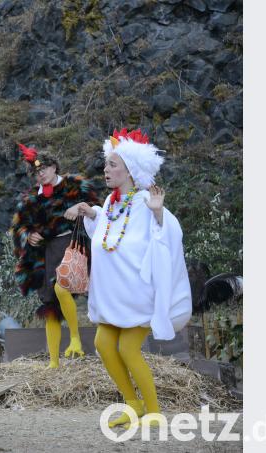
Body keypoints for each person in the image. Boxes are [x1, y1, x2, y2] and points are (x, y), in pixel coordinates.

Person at [66, 128, 192, 428]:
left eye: (113, 165)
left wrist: (159, 214)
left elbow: (169, 236)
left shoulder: (147, 201)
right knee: (104, 344)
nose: (106, 169)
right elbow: (108, 232)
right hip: (113, 296)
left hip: (138, 296)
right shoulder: (111, 201)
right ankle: (132, 404)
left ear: (131, 170)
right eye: (106, 164)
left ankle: (154, 411)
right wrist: (91, 213)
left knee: (127, 348)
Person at [9, 144, 101, 369]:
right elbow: (18, 226)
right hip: (45, 252)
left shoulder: (74, 184)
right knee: (50, 304)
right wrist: (28, 235)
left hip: (72, 244)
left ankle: (76, 339)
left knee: (63, 288)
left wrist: (79, 207)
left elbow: (97, 208)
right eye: (36, 172)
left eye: (44, 168)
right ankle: (53, 362)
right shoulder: (31, 198)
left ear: (54, 167)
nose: (40, 173)